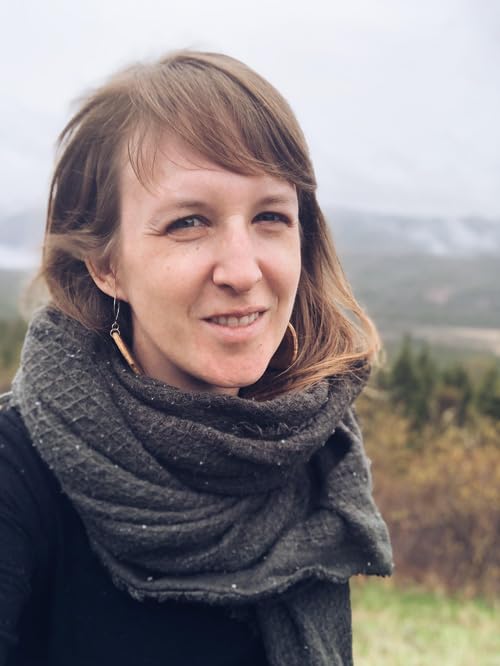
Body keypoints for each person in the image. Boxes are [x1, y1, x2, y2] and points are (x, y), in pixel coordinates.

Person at [0, 50, 392, 666]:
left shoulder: (309, 455)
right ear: (106, 264)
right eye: (188, 222)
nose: (242, 271)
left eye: (270, 216)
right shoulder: (16, 474)